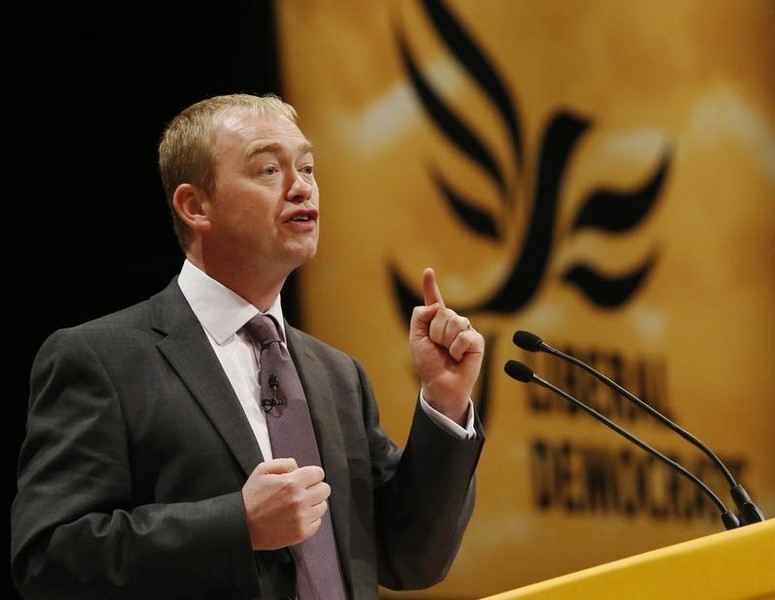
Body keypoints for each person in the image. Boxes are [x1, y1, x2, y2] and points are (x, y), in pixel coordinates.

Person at [11, 92, 485, 600]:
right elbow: (50, 558)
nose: (302, 187)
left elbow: (410, 556)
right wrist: (237, 525)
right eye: (268, 170)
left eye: (307, 167)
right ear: (196, 206)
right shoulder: (103, 359)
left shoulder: (337, 375)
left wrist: (444, 400)